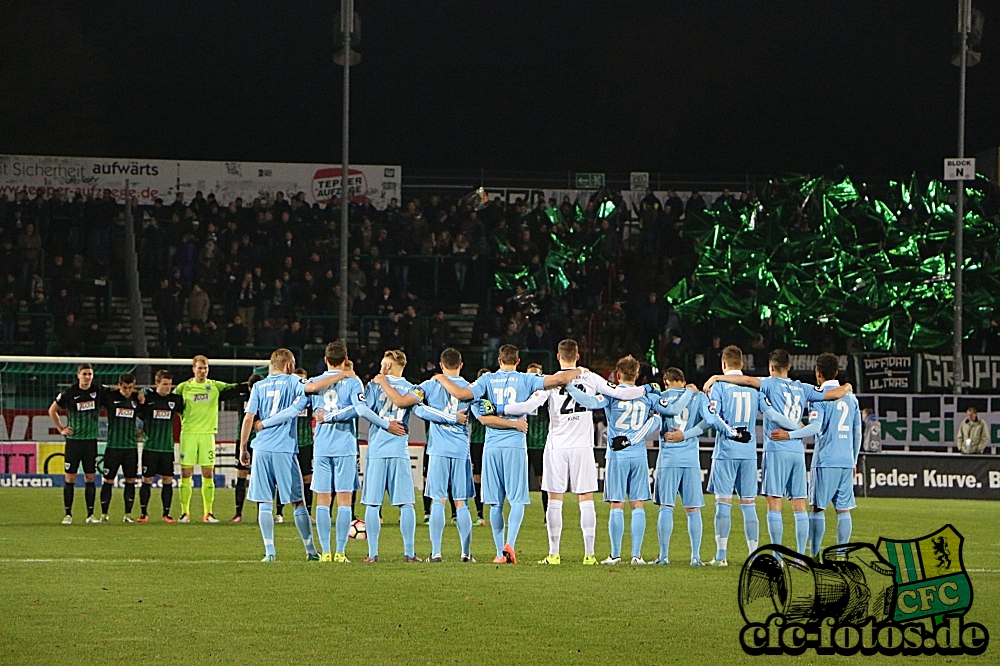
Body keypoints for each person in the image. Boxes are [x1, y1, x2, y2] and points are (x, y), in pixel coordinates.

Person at [496, 339, 650, 565]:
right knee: (586, 498)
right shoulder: (591, 378)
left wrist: (501, 409)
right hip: (582, 446)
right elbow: (620, 394)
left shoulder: (551, 381)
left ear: (558, 357)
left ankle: (554, 554)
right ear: (577, 356)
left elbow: (528, 407)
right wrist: (646, 388)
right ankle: (589, 555)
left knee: (555, 499)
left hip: (557, 445)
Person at [435, 344, 580, 564]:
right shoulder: (526, 379)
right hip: (514, 445)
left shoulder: (486, 380)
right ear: (518, 361)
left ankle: (497, 551)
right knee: (517, 500)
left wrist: (440, 377)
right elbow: (558, 380)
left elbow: (462, 394)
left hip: (491, 445)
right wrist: (579, 371)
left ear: (499, 360)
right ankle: (509, 545)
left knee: (495, 503)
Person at [705, 349, 852, 555]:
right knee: (800, 505)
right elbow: (833, 394)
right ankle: (801, 556)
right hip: (797, 452)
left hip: (776, 447)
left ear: (771, 367)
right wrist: (846, 386)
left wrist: (715, 377)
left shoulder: (768, 383)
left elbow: (746, 381)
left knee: (774, 503)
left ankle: (777, 556)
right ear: (789, 367)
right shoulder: (803, 387)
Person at [238, 348, 343, 561]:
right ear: (288, 365)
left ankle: (270, 552)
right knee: (297, 502)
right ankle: (311, 550)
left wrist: (243, 447)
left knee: (264, 502)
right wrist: (340, 375)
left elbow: (248, 418)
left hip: (261, 448)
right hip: (284, 449)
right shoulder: (293, 381)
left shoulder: (258, 386)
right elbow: (313, 387)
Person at [382, 348, 475, 562]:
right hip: (461, 449)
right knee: (461, 502)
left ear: (441, 365)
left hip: (438, 450)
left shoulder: (428, 386)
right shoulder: (470, 388)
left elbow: (416, 408)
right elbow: (482, 410)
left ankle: (436, 552)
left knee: (438, 500)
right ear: (461, 365)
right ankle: (466, 553)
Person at [772, 353, 861, 556]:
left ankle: (814, 553)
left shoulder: (819, 396)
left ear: (817, 373)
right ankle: (841, 556)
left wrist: (791, 434)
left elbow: (816, 428)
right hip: (847, 460)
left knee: (817, 508)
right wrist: (854, 459)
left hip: (826, 460)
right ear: (837, 372)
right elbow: (857, 432)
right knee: (843, 509)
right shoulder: (851, 397)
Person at [355, 350, 422, 563]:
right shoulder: (412, 388)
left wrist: (380, 382)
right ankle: (409, 553)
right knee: (406, 504)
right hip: (399, 451)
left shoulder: (375, 386)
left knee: (373, 504)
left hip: (376, 450)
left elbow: (364, 410)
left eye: (383, 364)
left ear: (389, 366)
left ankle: (373, 554)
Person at [309, 342, 373, 563]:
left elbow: (312, 407)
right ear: (346, 360)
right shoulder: (354, 382)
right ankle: (340, 553)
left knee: (323, 500)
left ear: (325, 360)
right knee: (345, 499)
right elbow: (358, 409)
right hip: (345, 446)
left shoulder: (316, 382)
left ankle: (325, 552)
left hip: (322, 447)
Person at [175, 355, 240, 523]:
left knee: (208, 473)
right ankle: (184, 513)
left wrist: (251, 385)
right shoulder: (184, 388)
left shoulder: (214, 386)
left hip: (208, 435)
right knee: (186, 473)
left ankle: (208, 513)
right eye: (199, 368)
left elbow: (233, 388)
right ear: (193, 369)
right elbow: (171, 402)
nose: (202, 371)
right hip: (188, 434)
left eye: (205, 368)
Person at [49, 363, 108, 524]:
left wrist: (138, 393)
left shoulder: (98, 390)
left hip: (90, 442)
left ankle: (90, 515)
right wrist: (61, 428)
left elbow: (118, 390)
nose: (87, 377)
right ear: (78, 375)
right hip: (74, 442)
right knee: (70, 477)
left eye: (90, 374)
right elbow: (52, 410)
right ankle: (68, 514)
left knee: (90, 477)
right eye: (84, 374)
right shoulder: (70, 392)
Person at [137, 370, 184, 523]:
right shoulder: (148, 398)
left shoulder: (175, 400)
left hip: (167, 448)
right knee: (147, 479)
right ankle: (143, 513)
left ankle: (166, 514)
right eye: (164, 384)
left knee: (168, 480)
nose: (167, 387)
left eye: (169, 385)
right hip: (150, 447)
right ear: (157, 383)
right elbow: (138, 404)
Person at [98, 374, 143, 522]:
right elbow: (98, 388)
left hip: (130, 448)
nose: (128, 391)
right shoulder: (110, 397)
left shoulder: (136, 399)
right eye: (124, 388)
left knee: (130, 480)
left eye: (131, 388)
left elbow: (148, 416)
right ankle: (104, 514)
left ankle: (128, 514)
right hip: (113, 446)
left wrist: (141, 433)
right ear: (119, 385)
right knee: (108, 480)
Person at [275, 368, 316, 522]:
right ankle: (279, 513)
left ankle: (308, 513)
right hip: (287, 443)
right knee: (283, 478)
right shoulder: (286, 398)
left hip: (305, 443)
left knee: (308, 479)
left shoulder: (310, 399)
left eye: (303, 380)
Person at [231, 374, 263, 522]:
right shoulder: (242, 395)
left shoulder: (266, 398)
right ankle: (238, 513)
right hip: (242, 439)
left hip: (260, 440)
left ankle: (261, 514)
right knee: (241, 475)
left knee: (261, 477)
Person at [468, 368, 490, 526]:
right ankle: (480, 513)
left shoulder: (495, 396)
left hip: (493, 441)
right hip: (477, 441)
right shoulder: (473, 397)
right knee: (478, 477)